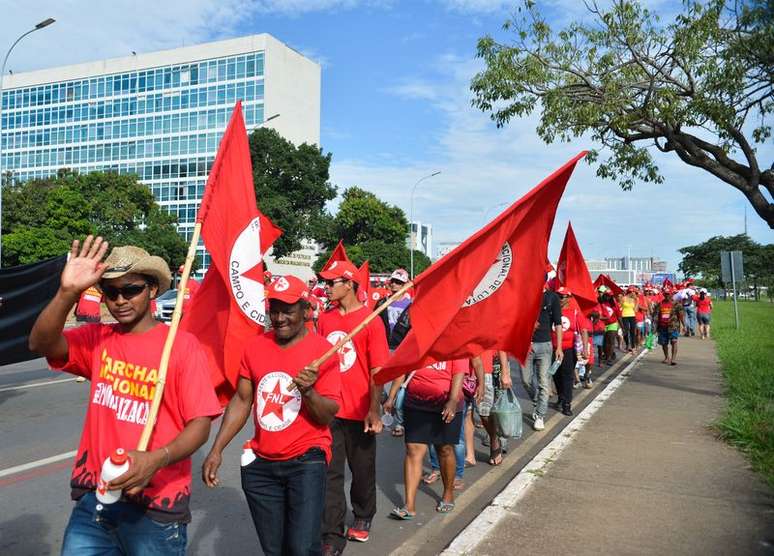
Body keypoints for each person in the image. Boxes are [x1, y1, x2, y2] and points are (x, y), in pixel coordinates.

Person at [28, 237, 222, 556]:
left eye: (131, 289)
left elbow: (200, 425)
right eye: (111, 292)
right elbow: (40, 344)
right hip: (95, 501)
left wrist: (156, 459)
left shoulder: (181, 346)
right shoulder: (97, 339)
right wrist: (67, 292)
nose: (120, 300)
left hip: (157, 510)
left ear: (153, 290)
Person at [202, 276, 342, 556]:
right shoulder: (255, 347)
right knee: (274, 550)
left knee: (302, 549)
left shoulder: (323, 351)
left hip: (306, 461)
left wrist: (309, 391)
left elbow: (327, 416)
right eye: (273, 310)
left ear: (306, 311)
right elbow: (242, 401)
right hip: (261, 466)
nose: (278, 318)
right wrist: (217, 449)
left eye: (287, 310)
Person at [317, 261, 390, 554]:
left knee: (361, 470)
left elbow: (378, 372)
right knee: (329, 473)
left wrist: (374, 409)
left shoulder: (371, 322)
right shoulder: (324, 319)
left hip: (360, 410)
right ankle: (331, 533)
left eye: (332, 282)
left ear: (349, 284)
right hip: (329, 410)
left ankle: (362, 514)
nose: (327, 287)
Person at [388, 359, 467, 519]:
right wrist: (391, 396)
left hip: (446, 404)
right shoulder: (418, 338)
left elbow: (459, 372)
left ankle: (448, 493)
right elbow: (403, 367)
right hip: (416, 404)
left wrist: (452, 400)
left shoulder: (455, 340)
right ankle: (409, 506)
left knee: (444, 449)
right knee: (413, 450)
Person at [517, 285, 562, 432]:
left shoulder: (552, 297)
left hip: (545, 345)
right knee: (525, 380)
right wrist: (528, 324)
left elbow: (558, 323)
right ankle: (538, 401)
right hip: (525, 345)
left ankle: (540, 414)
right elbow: (515, 318)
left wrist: (559, 347)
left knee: (544, 381)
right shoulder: (524, 295)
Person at [377, 268, 412, 437]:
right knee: (381, 387)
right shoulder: (382, 302)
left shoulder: (411, 305)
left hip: (401, 349)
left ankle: (400, 422)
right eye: (393, 281)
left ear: (405, 284)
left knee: (399, 389)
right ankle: (386, 413)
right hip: (382, 348)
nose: (394, 284)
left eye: (398, 282)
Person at [471, 350, 512, 464]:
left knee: (497, 409)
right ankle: (494, 438)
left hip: (492, 367)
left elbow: (501, 343)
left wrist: (505, 372)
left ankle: (497, 439)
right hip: (471, 368)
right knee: (483, 412)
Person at [553, 287, 588, 416]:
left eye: (563, 297)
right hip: (553, 349)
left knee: (567, 376)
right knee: (555, 375)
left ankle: (567, 404)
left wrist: (584, 349)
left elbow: (583, 330)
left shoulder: (574, 312)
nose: (560, 299)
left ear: (569, 298)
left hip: (568, 350)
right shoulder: (552, 311)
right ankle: (561, 396)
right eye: (558, 296)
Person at [653, 287, 685, 365]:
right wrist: (654, 328)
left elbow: (681, 316)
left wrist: (684, 326)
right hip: (662, 327)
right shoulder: (659, 304)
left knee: (674, 341)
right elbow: (656, 316)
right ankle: (667, 357)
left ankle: (673, 359)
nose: (667, 295)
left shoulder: (677, 304)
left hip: (673, 326)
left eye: (668, 294)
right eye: (666, 294)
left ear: (671, 294)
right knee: (664, 343)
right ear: (663, 294)